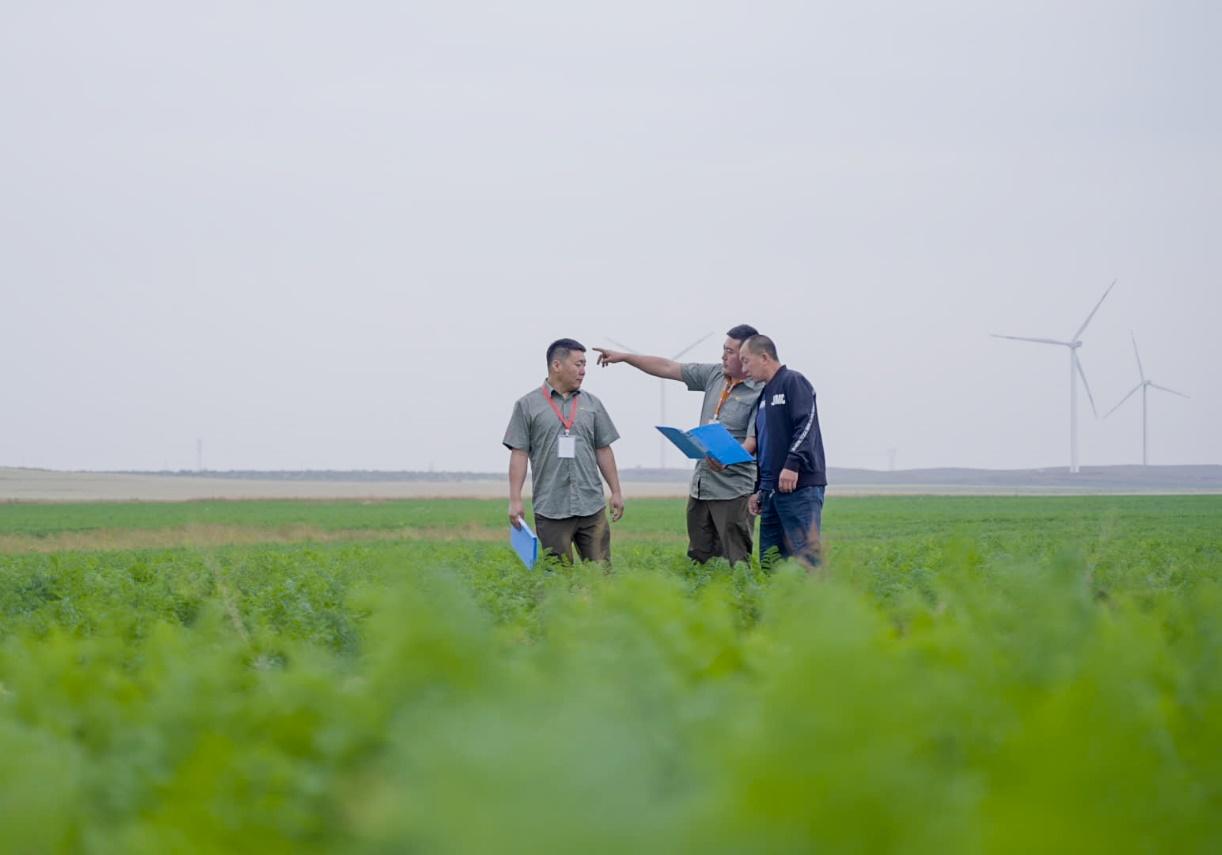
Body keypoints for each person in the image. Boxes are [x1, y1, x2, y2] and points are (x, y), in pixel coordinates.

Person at [593, 325, 763, 566]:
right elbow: (668, 367)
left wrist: (728, 459)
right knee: (699, 558)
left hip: (734, 489)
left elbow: (752, 442)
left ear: (748, 355)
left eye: (730, 352)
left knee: (736, 561)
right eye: (723, 350)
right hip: (702, 485)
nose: (723, 356)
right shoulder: (715, 375)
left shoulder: (760, 391)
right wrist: (626, 357)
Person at [503, 338, 625, 563]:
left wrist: (616, 491)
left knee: (602, 575)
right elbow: (518, 454)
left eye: (585, 365)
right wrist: (515, 499)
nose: (583, 371)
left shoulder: (592, 404)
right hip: (551, 508)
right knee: (558, 579)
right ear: (556, 365)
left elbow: (603, 449)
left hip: (591, 506)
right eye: (578, 364)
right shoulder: (527, 405)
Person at [738, 334, 827, 569]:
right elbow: (765, 446)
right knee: (771, 563)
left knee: (807, 561)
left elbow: (806, 424)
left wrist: (792, 464)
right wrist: (759, 489)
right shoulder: (764, 395)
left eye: (746, 361)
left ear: (764, 357)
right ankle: (776, 605)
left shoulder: (793, 381)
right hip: (770, 493)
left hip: (798, 488)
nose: (743, 368)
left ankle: (815, 604)